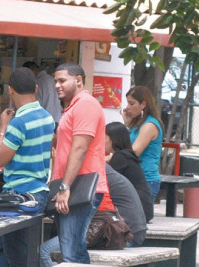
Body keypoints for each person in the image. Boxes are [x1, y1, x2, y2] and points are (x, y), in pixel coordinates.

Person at [52, 62, 114, 264]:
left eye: (62, 80)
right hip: (73, 187)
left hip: (80, 187)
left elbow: (79, 148)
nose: (57, 85)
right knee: (72, 248)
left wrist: (64, 186)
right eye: (55, 81)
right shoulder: (74, 107)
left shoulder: (86, 104)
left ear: (78, 80)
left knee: (71, 251)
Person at [0, 67, 55, 266]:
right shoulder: (47, 117)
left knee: (14, 255)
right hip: (39, 191)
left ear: (11, 90)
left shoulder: (18, 122)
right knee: (7, 249)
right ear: (36, 88)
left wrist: (3, 127)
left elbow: (0, 159)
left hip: (20, 194)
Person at [39, 164, 148, 267]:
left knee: (44, 252)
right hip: (117, 230)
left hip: (108, 231)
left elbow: (51, 200)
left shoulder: (85, 179)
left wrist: (57, 173)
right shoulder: (96, 175)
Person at [121, 86, 164, 202]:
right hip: (134, 178)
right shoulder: (137, 125)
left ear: (143, 104)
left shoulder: (150, 125)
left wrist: (109, 158)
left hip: (146, 180)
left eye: (132, 103)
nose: (128, 108)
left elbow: (133, 152)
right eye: (128, 103)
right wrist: (128, 125)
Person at [105, 121, 154, 222]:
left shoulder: (120, 157)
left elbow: (107, 183)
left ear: (113, 139)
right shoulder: (127, 156)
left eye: (104, 137)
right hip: (143, 210)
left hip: (138, 211)